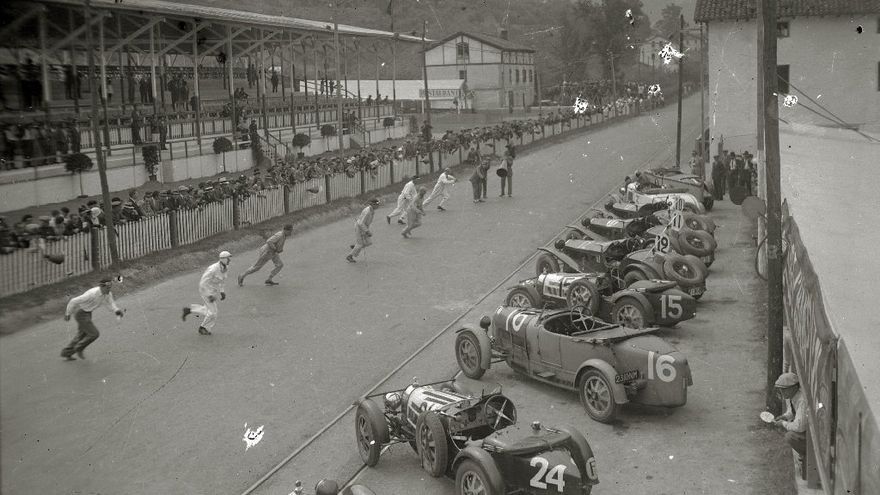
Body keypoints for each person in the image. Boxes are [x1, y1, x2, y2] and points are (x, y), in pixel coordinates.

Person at [61, 277, 125, 360]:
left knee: (82, 335)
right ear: (101, 287)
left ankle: (66, 353)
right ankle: (79, 348)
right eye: (107, 288)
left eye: (110, 287)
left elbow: (111, 303)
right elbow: (73, 301)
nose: (109, 289)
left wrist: (116, 310)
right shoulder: (92, 294)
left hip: (88, 313)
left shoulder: (107, 293)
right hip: (80, 313)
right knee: (94, 334)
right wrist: (67, 314)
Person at [182, 251, 231, 336]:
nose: (229, 260)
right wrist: (209, 295)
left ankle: (189, 310)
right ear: (223, 259)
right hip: (205, 290)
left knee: (209, 310)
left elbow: (223, 280)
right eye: (228, 258)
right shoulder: (213, 269)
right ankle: (203, 327)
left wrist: (222, 291)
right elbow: (203, 282)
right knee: (213, 312)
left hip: (213, 290)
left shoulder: (225, 267)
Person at [772, 372, 807, 458]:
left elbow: (799, 427)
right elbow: (791, 412)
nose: (782, 392)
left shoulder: (802, 401)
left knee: (790, 436)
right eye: (781, 389)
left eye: (784, 389)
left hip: (811, 432)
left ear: (794, 387)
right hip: (804, 429)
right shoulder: (791, 396)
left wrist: (783, 423)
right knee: (789, 430)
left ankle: (807, 455)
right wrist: (784, 417)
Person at [346, 198, 379, 263]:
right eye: (377, 204)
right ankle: (350, 256)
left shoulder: (372, 210)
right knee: (360, 244)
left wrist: (366, 230)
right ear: (372, 204)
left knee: (369, 242)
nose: (378, 206)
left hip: (364, 228)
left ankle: (356, 246)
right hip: (359, 228)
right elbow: (361, 223)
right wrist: (367, 231)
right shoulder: (367, 211)